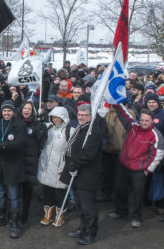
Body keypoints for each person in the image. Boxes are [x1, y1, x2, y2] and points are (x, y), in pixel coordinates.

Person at [108, 107, 164, 228]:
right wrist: (117, 103)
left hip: (139, 170)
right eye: (142, 120)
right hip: (124, 166)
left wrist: (147, 170)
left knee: (137, 195)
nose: (143, 122)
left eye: (146, 120)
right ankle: (121, 211)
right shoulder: (132, 126)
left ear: (152, 121)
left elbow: (158, 154)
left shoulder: (155, 135)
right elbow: (124, 114)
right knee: (120, 191)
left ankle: (136, 217)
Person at [60, 104, 105, 245]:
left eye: (84, 115)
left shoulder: (94, 131)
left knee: (88, 206)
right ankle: (82, 227)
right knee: (80, 204)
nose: (80, 117)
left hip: (87, 174)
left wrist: (74, 163)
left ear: (91, 116)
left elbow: (88, 153)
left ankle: (90, 232)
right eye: (79, 114)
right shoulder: (81, 128)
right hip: (76, 173)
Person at [0, 100, 27, 239]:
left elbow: (19, 143)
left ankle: (15, 222)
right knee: (0, 192)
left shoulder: (20, 125)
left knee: (13, 195)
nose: (6, 113)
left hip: (13, 164)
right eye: (4, 111)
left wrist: (2, 146)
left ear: (13, 111)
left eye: (9, 110)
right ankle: (0, 216)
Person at [37, 107, 74, 227]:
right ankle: (48, 215)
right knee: (48, 193)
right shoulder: (48, 128)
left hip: (60, 168)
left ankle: (59, 216)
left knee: (60, 195)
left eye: (58, 117)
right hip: (46, 166)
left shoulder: (70, 131)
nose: (56, 120)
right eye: (53, 117)